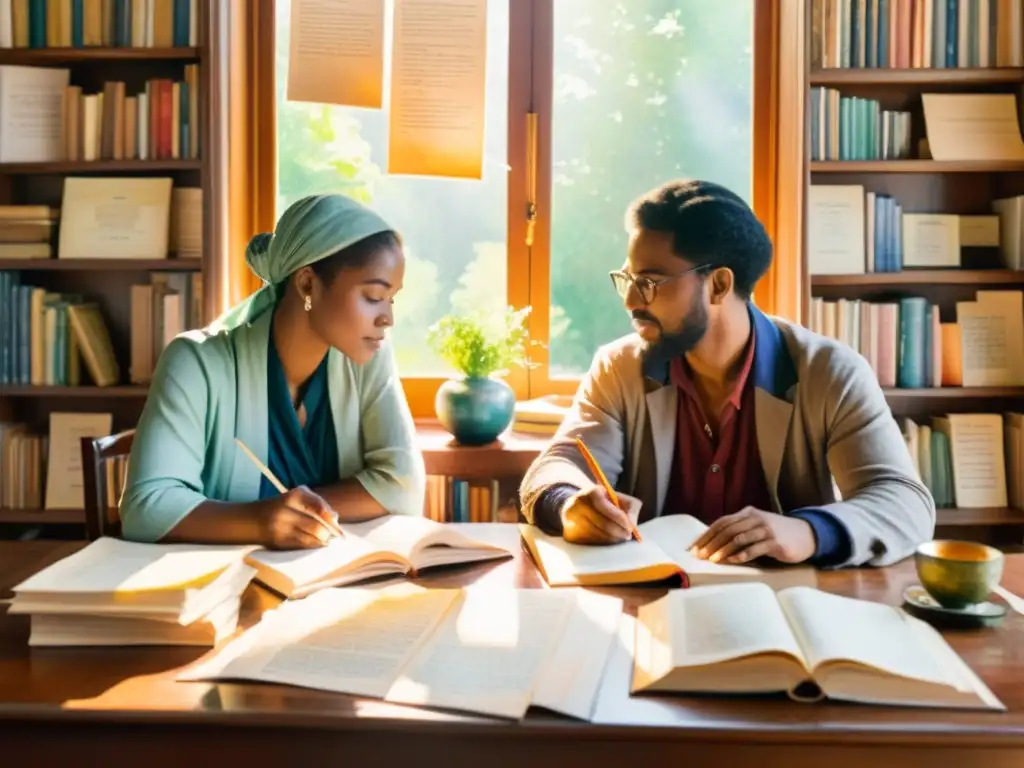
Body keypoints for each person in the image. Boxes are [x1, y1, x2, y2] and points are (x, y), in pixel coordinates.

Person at [519, 179, 934, 569]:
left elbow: (906, 503)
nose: (630, 299)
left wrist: (808, 531)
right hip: (654, 602)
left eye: (650, 281)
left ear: (718, 285)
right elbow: (559, 464)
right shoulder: (619, 367)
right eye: (628, 279)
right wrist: (568, 502)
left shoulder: (831, 374)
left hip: (784, 606)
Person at [119, 194, 425, 549]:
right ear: (307, 284)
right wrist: (260, 520)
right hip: (225, 592)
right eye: (373, 296)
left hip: (336, 586)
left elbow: (404, 488)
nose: (388, 318)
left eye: (392, 299)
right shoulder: (195, 364)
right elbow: (145, 509)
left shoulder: (369, 360)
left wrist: (301, 514)